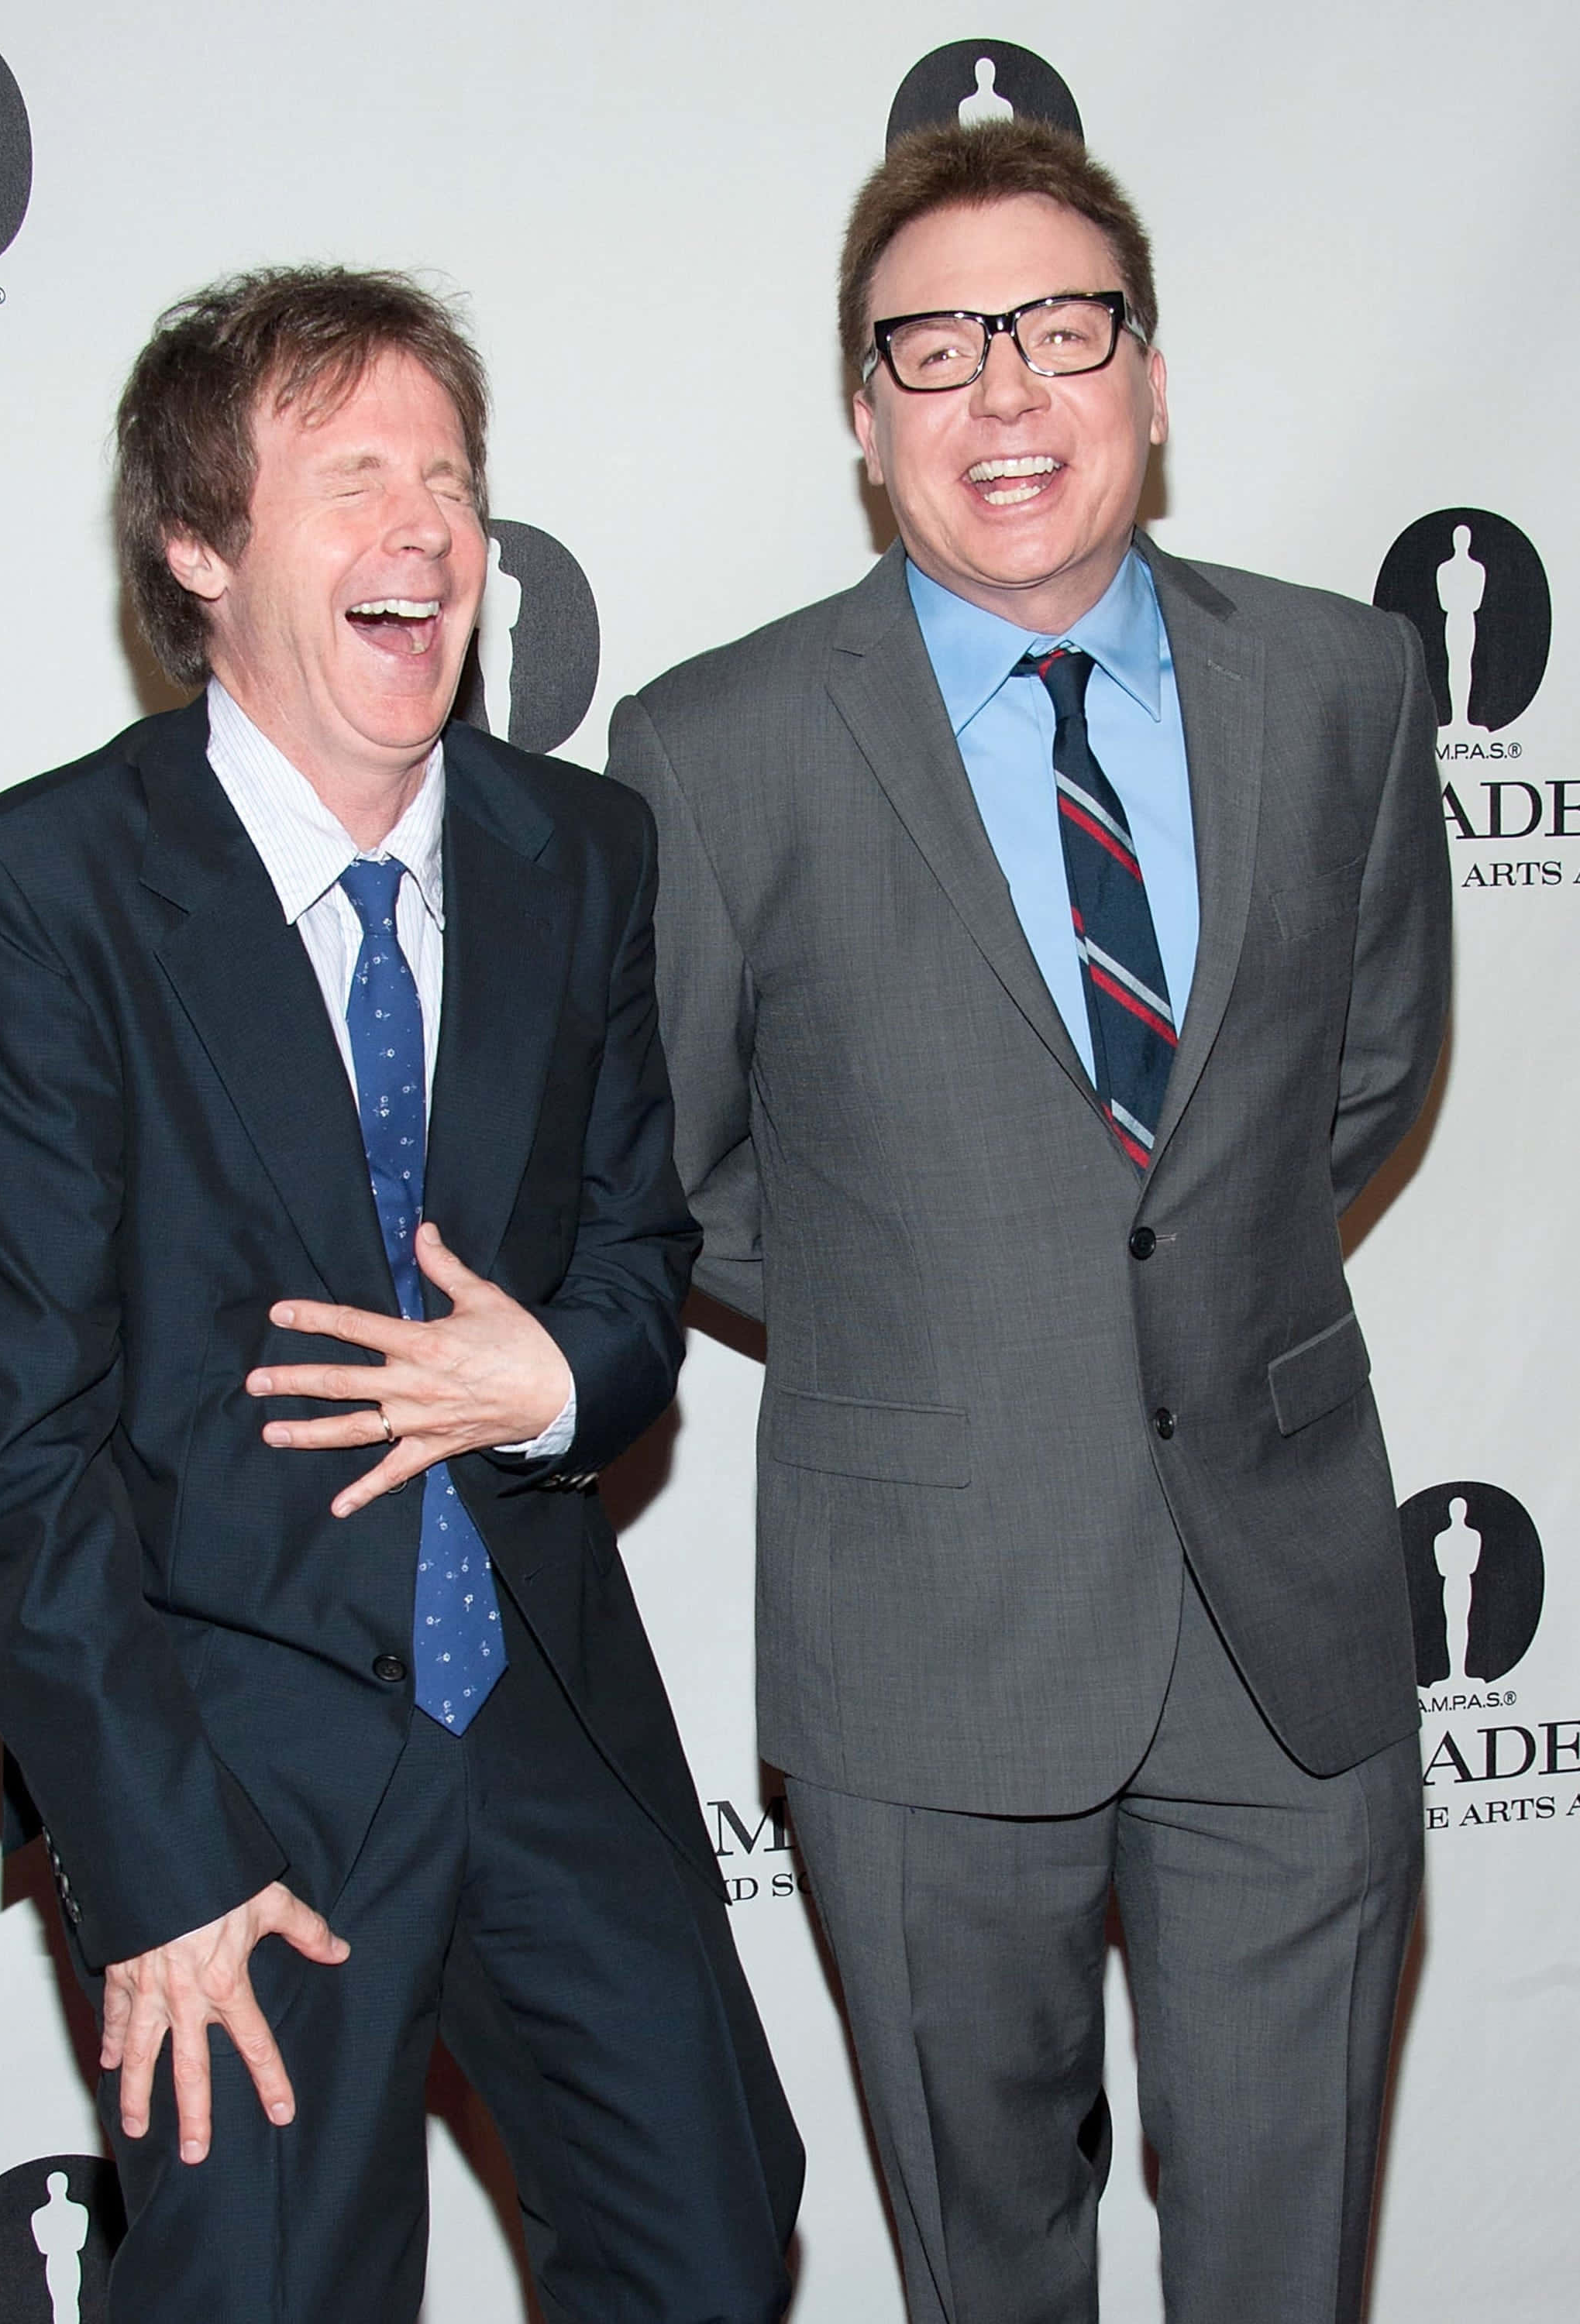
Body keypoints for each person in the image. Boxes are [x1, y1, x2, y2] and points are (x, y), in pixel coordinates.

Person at [0, 265, 801, 2323]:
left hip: (543, 1714)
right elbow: (7, 1450)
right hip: (227, 1761)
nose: (428, 530)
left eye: (453, 481)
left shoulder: (580, 854)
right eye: (356, 479)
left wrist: (552, 1377)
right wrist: (151, 1864)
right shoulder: (39, 897)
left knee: (714, 2239)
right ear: (200, 548)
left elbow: (639, 1255)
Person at [608, 120, 1448, 2324]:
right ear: (862, 411)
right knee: (990, 2276)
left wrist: (1166, 1289)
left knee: (1287, 2268)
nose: (1004, 390)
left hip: (1287, 1635)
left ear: (1150, 379)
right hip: (923, 1642)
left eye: (1062, 329)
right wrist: (938, 1317)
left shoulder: (1347, 687)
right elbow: (682, 1168)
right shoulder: (714, 748)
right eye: (935, 345)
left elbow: (1364, 1073)